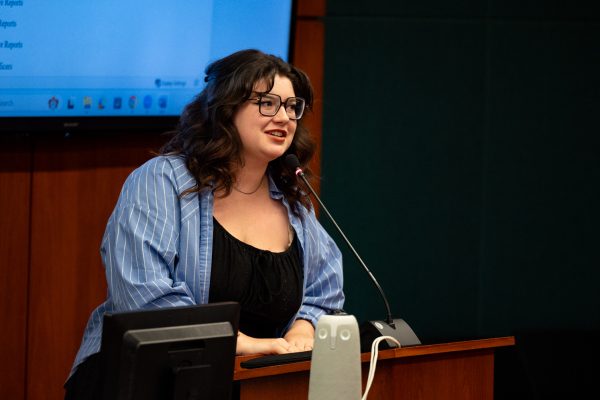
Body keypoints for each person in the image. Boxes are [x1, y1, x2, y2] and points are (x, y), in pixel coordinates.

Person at [64, 49, 344, 398]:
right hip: (146, 383)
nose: (285, 117)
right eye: (267, 102)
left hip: (249, 385)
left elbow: (324, 291)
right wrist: (240, 344)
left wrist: (303, 331)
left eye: (292, 106)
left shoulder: (295, 204)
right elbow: (143, 294)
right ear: (226, 108)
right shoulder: (163, 181)